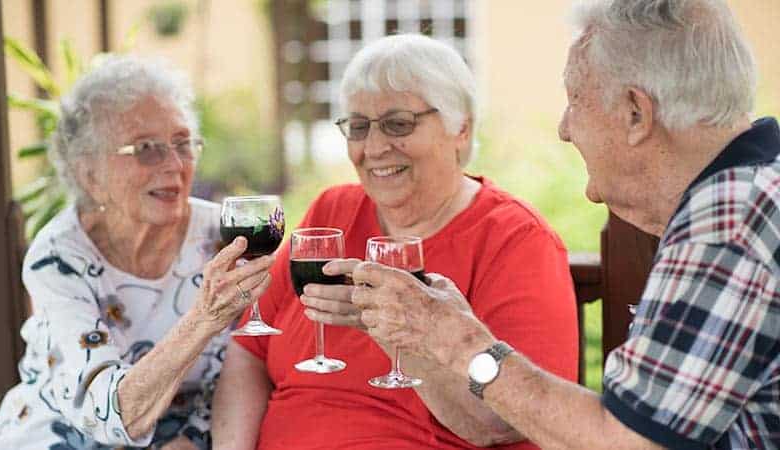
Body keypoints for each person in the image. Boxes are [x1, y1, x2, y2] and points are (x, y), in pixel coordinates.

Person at [350, 1, 780, 449]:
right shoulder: (750, 191)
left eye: (575, 101)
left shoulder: (726, 228)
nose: (563, 129)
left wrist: (458, 342)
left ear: (636, 113)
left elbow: (626, 442)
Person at [212, 34, 578, 449]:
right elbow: (250, 350)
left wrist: (393, 327)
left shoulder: (515, 240)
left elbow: (509, 422)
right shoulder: (332, 215)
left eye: (398, 124)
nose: (374, 147)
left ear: (461, 128)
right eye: (358, 126)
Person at [0, 56, 274, 450]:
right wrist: (205, 318)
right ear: (90, 175)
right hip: (62, 437)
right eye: (146, 149)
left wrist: (193, 437)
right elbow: (108, 413)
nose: (173, 164)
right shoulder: (59, 258)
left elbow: (246, 367)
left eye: (182, 143)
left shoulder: (223, 236)